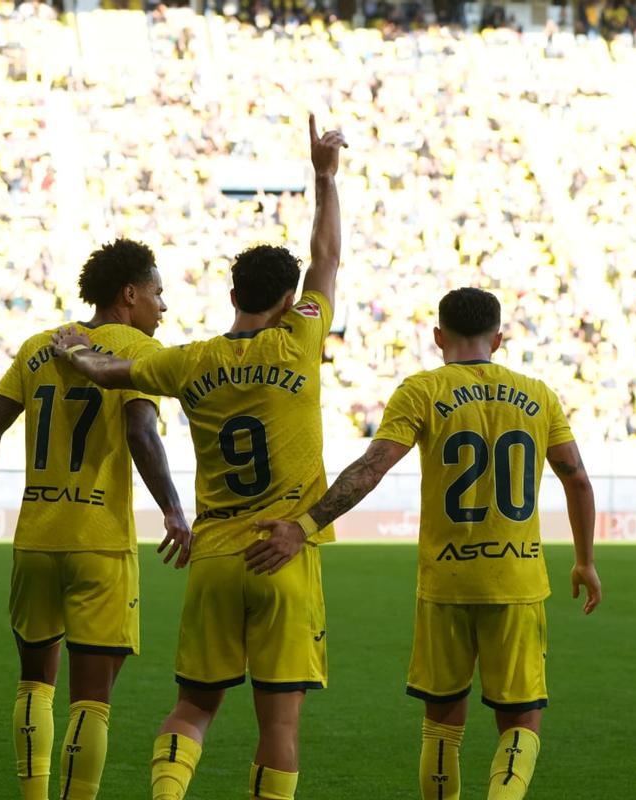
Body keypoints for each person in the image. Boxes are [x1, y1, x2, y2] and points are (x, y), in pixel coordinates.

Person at [49, 114, 346, 800]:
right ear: (284, 301)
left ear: (234, 296)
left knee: (193, 708)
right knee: (279, 723)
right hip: (285, 553)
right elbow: (327, 260)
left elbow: (108, 373)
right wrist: (325, 178)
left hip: (215, 553)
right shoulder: (297, 340)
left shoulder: (188, 362)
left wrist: (73, 350)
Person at [253, 287, 603, 800]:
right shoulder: (539, 394)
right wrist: (586, 561)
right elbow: (577, 480)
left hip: (445, 581)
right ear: (499, 339)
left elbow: (371, 470)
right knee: (521, 718)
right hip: (518, 580)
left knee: (441, 722)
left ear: (439, 336)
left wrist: (306, 523)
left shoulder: (421, 390)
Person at [0, 239, 192, 800]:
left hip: (36, 539)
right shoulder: (133, 349)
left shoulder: (40, 346)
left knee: (35, 684)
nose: (164, 307)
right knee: (91, 700)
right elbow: (140, 431)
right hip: (100, 544)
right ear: (130, 295)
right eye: (158, 294)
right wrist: (174, 510)